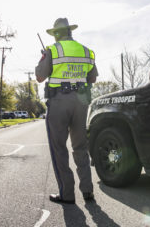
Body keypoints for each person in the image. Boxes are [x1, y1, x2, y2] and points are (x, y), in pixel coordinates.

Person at [35, 18, 98, 204]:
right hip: (81, 102)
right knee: (80, 148)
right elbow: (92, 78)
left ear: (56, 34)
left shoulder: (52, 51)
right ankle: (88, 192)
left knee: (59, 149)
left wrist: (44, 59)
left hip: (59, 102)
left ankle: (67, 195)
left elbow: (39, 77)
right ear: (70, 32)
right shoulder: (87, 51)